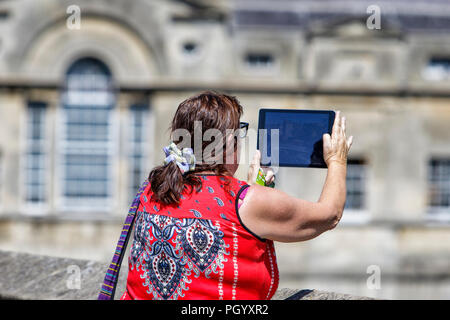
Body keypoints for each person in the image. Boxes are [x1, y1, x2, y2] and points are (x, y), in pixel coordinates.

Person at [120, 91, 353, 300]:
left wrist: (255, 188)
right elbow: (329, 214)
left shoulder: (152, 189)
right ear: (228, 143)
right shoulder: (246, 201)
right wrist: (337, 159)